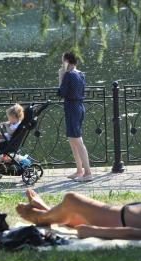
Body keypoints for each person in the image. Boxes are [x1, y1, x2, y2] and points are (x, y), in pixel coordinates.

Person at [16, 188, 141, 240]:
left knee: (71, 200)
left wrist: (93, 232)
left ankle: (41, 217)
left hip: (121, 219)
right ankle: (49, 212)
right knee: (74, 209)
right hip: (134, 209)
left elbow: (138, 234)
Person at [58, 52, 92, 182]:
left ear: (66, 61)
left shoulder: (68, 75)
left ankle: (88, 173)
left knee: (78, 141)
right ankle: (79, 170)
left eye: (63, 61)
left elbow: (61, 93)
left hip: (72, 108)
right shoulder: (81, 74)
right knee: (72, 140)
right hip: (79, 107)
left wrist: (61, 76)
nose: (62, 64)